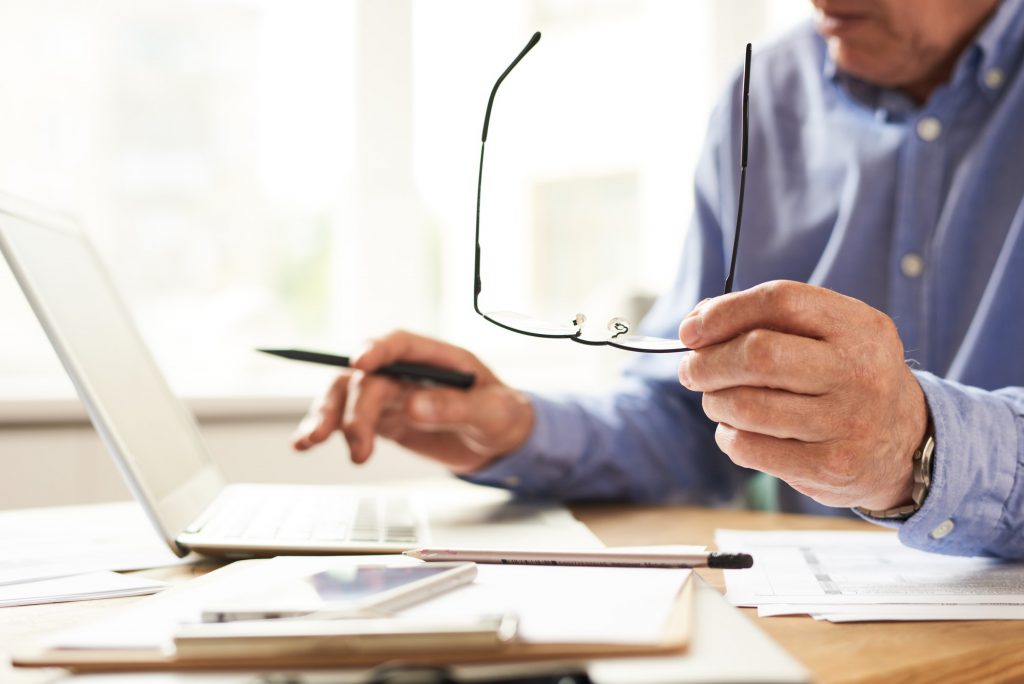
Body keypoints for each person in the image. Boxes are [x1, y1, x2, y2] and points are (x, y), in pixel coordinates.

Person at [293, 0, 1024, 558]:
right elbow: (688, 423)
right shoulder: (764, 97)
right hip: (819, 631)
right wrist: (514, 426)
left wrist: (918, 447)